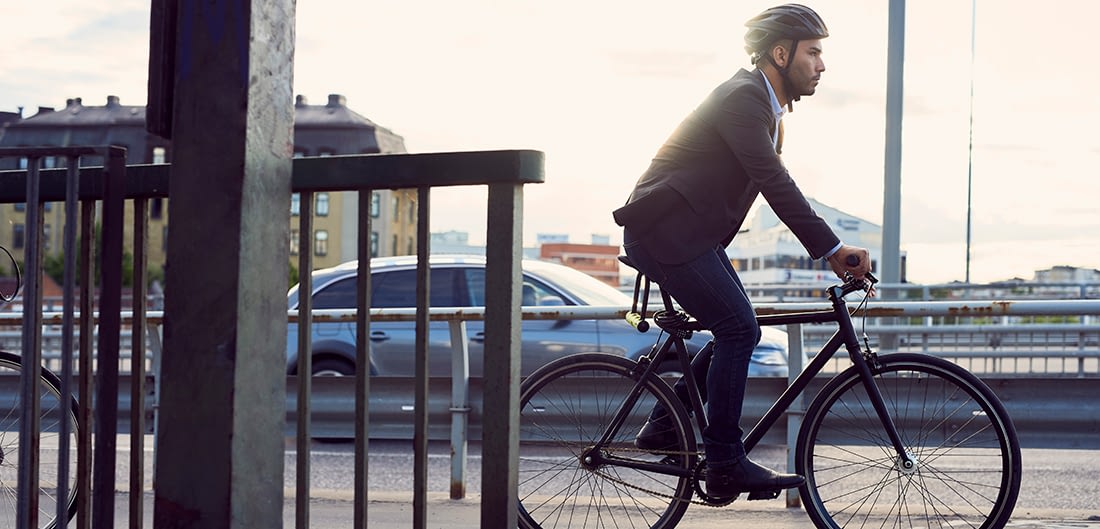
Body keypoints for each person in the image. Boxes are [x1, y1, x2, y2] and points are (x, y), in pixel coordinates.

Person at [612, 3, 872, 499]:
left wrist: (829, 246)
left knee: (738, 327)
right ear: (781, 52)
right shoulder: (743, 99)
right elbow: (774, 182)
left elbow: (769, 185)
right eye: (813, 52)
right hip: (665, 232)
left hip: (690, 235)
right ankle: (725, 462)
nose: (821, 64)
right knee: (738, 328)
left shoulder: (767, 109)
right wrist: (833, 249)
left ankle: (663, 427)